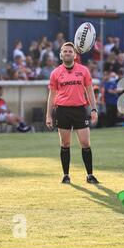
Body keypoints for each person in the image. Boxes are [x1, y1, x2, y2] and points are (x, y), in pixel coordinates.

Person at [46, 42, 99, 185]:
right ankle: (66, 175)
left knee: (85, 143)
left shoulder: (83, 71)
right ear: (61, 55)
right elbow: (52, 95)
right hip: (62, 110)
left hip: (80, 110)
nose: (68, 53)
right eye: (65, 51)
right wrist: (48, 115)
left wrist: (94, 109)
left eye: (70, 51)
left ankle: (90, 175)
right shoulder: (55, 73)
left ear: (75, 55)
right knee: (65, 143)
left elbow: (89, 91)